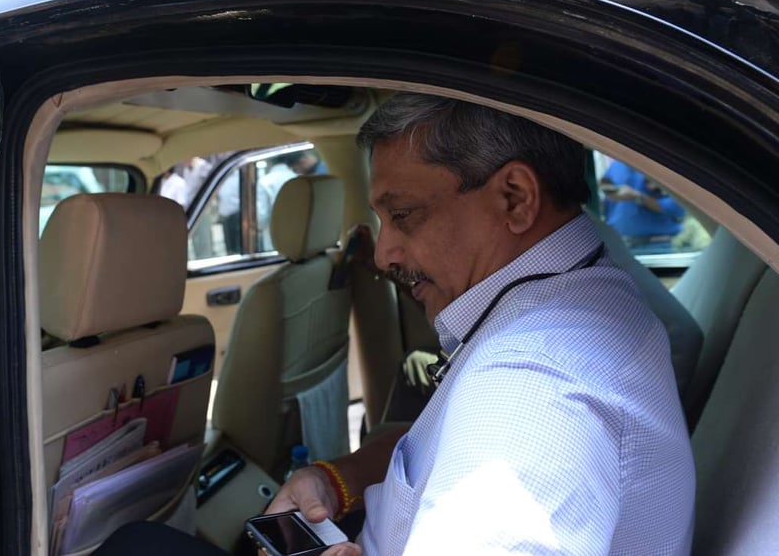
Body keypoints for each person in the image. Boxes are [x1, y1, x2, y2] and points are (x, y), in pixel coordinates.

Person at [267, 93, 694, 555]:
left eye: (404, 215)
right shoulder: (588, 284)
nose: (384, 253)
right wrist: (338, 480)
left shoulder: (530, 386)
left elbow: (513, 432)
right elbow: (437, 448)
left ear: (515, 198)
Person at [601, 159, 685, 253]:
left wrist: (636, 196)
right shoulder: (616, 165)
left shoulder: (662, 164)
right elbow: (607, 202)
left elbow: (677, 208)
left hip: (656, 246)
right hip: (620, 246)